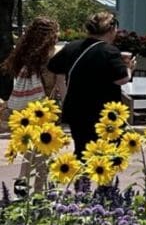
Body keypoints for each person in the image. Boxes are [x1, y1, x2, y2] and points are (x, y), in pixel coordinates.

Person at [46, 12, 132, 158]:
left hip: (76, 108)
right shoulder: (109, 51)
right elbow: (121, 79)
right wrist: (129, 67)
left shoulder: (72, 47)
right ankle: (105, 181)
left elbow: (53, 66)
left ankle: (82, 179)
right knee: (108, 153)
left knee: (82, 150)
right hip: (104, 112)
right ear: (111, 30)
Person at [3, 17, 63, 193]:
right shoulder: (52, 58)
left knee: (29, 152)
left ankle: (21, 185)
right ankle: (39, 193)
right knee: (43, 154)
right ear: (50, 36)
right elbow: (59, 84)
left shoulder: (24, 56)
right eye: (56, 32)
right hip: (44, 111)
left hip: (24, 112)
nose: (58, 35)